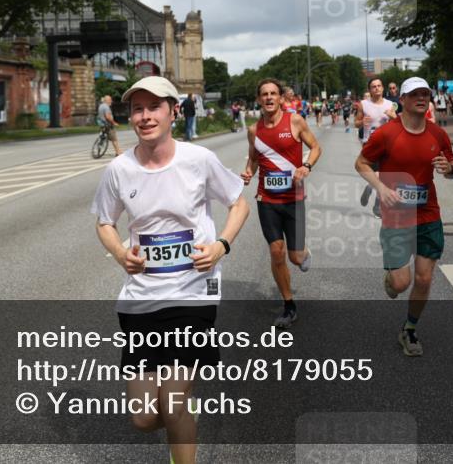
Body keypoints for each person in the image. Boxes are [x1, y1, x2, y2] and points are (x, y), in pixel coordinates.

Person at [90, 76, 250, 464]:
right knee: (145, 417)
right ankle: (181, 416)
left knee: (174, 403)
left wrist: (220, 246)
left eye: (154, 107)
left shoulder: (198, 160)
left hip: (193, 293)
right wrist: (118, 253)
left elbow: (239, 203)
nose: (145, 117)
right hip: (141, 299)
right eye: (137, 109)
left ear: (173, 112)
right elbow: (104, 221)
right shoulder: (119, 169)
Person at [354, 77, 453, 357]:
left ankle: (409, 329)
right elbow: (361, 163)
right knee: (401, 284)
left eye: (425, 94)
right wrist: (380, 188)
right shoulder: (387, 134)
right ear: (402, 100)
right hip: (397, 215)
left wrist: (448, 168)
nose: (421, 98)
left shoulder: (438, 134)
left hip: (427, 213)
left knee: (423, 280)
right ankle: (392, 279)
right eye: (414, 95)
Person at [241, 78, 322, 328]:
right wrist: (247, 172)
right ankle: (289, 306)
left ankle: (304, 252)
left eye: (273, 93)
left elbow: (316, 147)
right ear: (258, 99)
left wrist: (306, 165)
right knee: (277, 252)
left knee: (295, 258)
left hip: (293, 199)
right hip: (266, 199)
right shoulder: (254, 130)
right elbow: (254, 158)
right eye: (264, 94)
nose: (268, 98)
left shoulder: (295, 121)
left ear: (279, 98)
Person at [356, 77, 397, 217]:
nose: (377, 88)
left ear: (383, 88)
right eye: (374, 86)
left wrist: (393, 117)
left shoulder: (390, 104)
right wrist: (362, 121)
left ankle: (374, 197)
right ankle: (371, 189)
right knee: (377, 175)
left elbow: (397, 123)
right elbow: (355, 123)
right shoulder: (363, 104)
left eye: (379, 85)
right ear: (370, 90)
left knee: (385, 177)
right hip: (370, 143)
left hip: (387, 145)